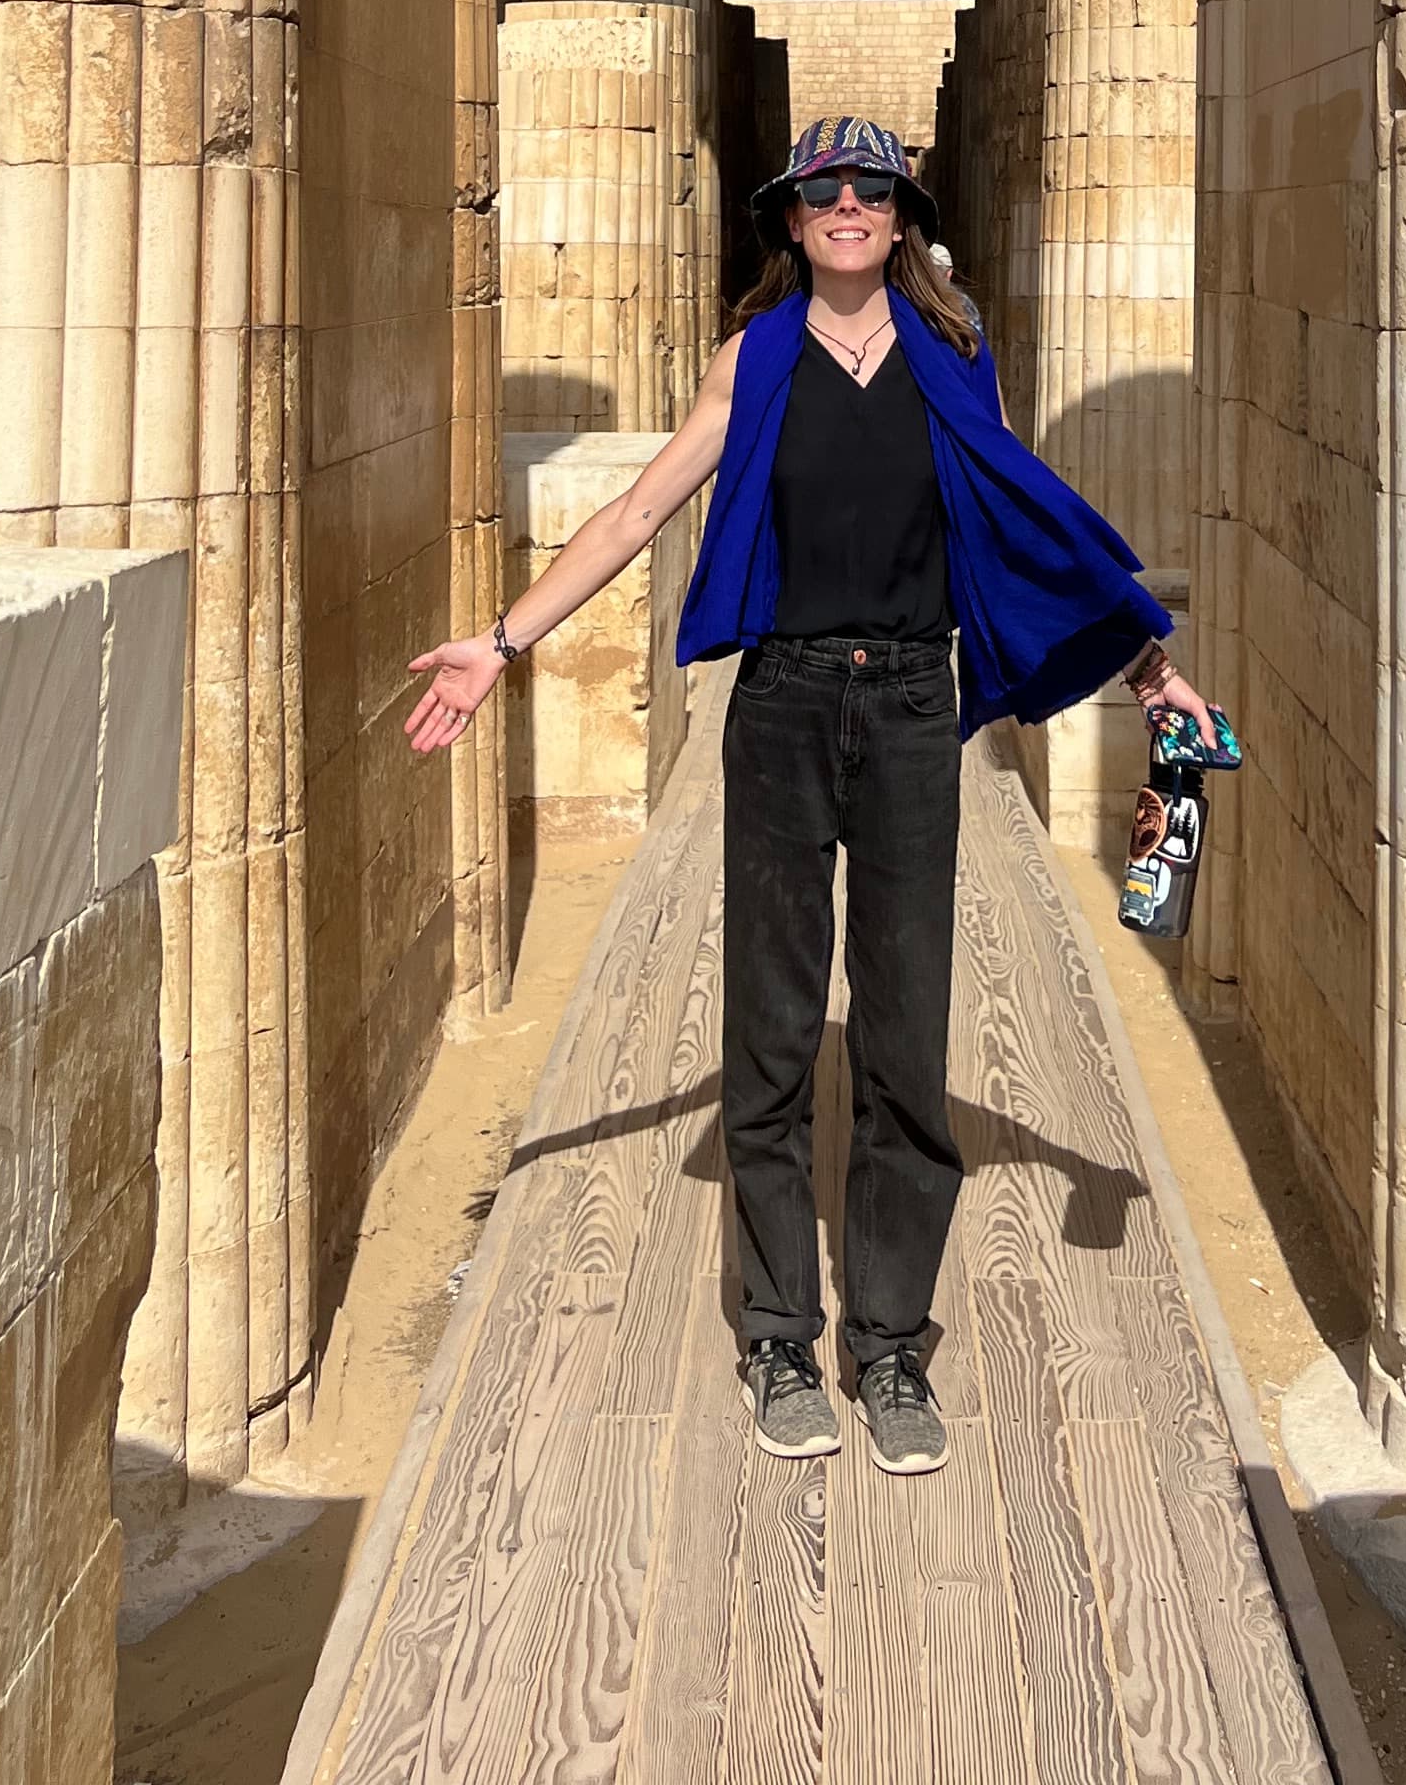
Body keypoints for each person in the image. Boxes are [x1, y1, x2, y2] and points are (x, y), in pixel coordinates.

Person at [404, 107, 1213, 1478]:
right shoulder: (753, 358)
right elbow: (633, 514)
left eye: (873, 189)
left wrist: (1149, 670)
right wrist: (502, 643)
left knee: (904, 1034)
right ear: (790, 219)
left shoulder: (957, 357)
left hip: (909, 707)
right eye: (823, 190)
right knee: (773, 1035)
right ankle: (780, 1333)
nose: (848, 206)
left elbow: (1023, 525)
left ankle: (890, 1344)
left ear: (900, 218)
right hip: (779, 707)